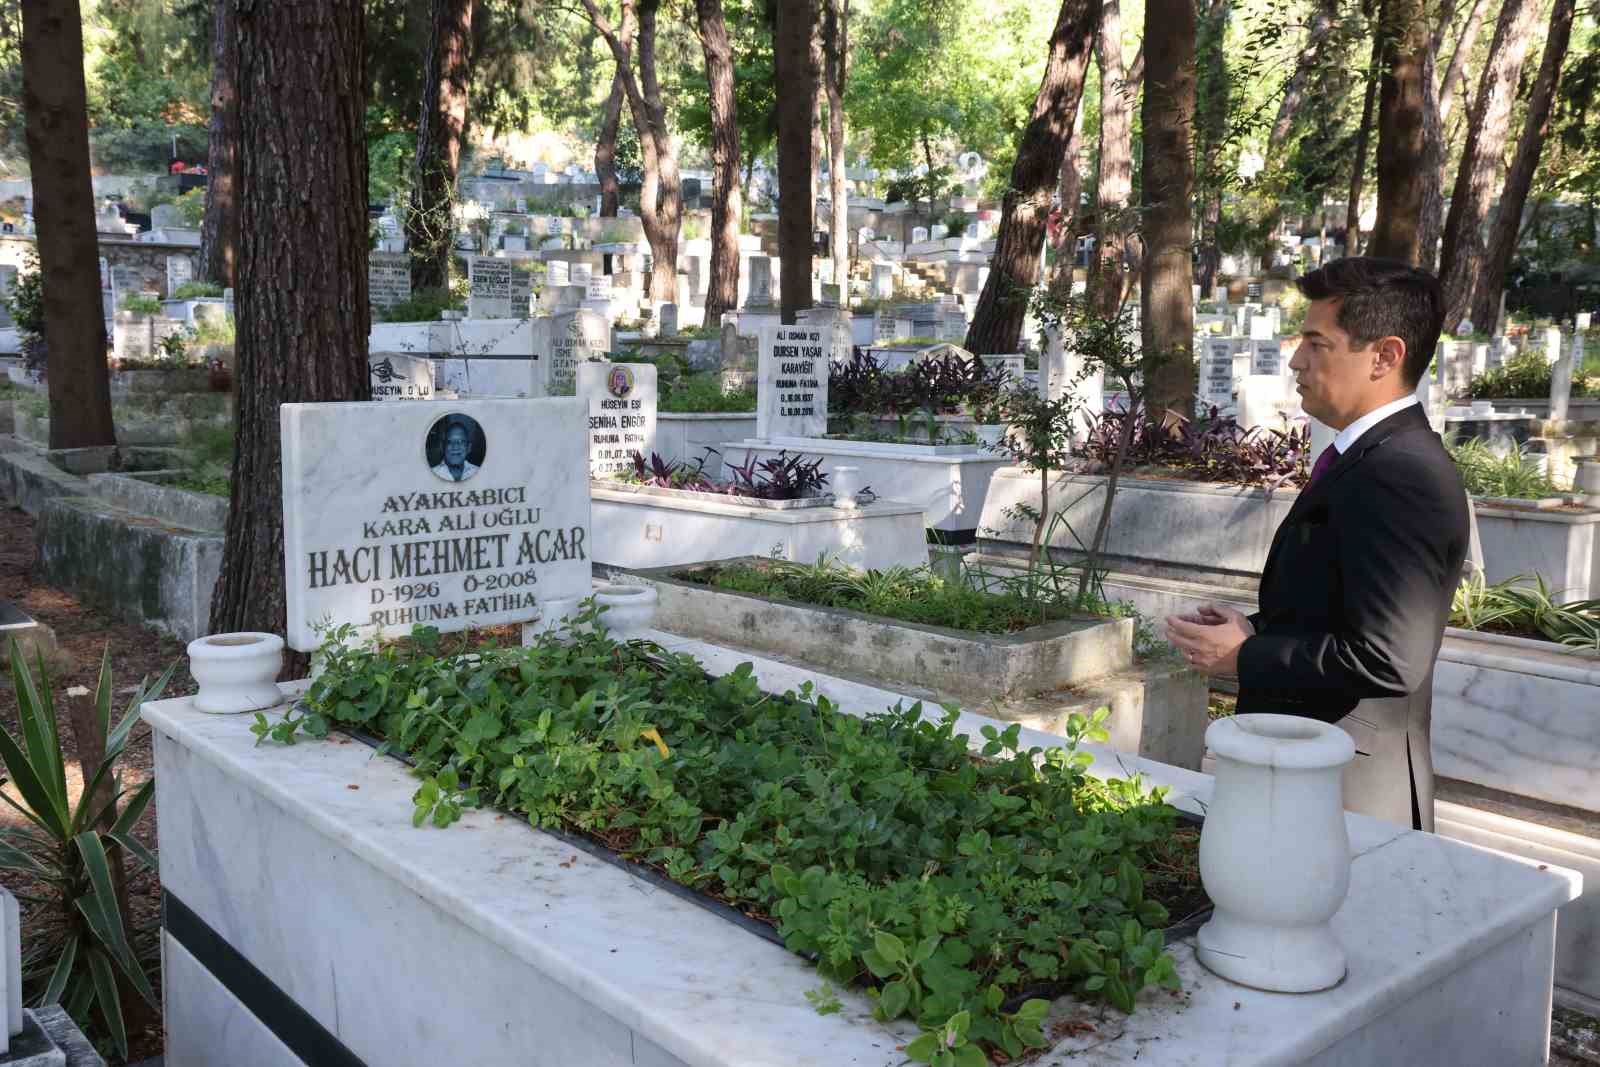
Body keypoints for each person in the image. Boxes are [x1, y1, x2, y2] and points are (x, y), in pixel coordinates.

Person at [1164, 257, 1469, 831]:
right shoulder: (1369, 456)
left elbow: (1389, 658)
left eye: (1316, 343)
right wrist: (1254, 630)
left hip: (1347, 788)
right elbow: (1338, 608)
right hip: (1311, 768)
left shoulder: (1401, 472)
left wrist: (1245, 656)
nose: (1296, 360)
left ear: (1384, 356)